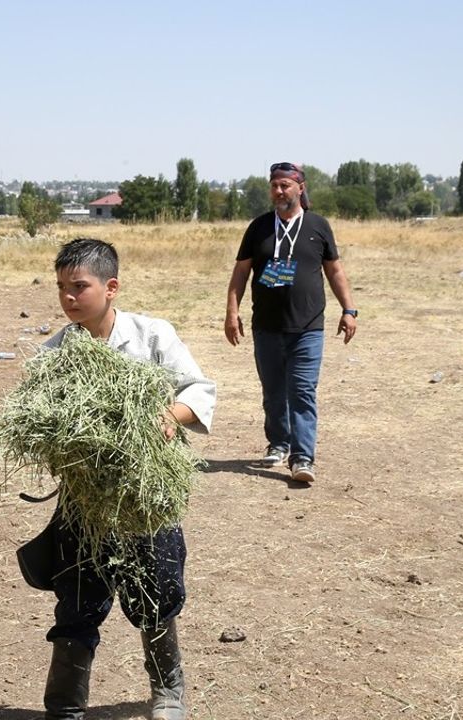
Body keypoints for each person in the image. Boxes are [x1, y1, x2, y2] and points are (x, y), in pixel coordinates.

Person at [38, 238, 215, 720]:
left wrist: (172, 416)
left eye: (79, 286)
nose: (69, 298)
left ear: (111, 287)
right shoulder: (56, 351)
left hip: (145, 500)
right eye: (61, 288)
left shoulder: (151, 335)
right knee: (76, 599)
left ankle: (168, 693)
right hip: (83, 501)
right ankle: (65, 706)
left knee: (156, 591)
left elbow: (198, 387)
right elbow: (38, 417)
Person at [224, 161, 357, 484]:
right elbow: (241, 272)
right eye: (274, 185)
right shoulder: (259, 228)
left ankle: (302, 457)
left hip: (308, 327)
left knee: (302, 391)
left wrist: (349, 309)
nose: (279, 191)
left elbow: (335, 271)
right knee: (273, 393)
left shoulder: (318, 226)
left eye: (285, 185)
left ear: (301, 187)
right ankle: (279, 443)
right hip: (266, 327)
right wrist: (231, 312)